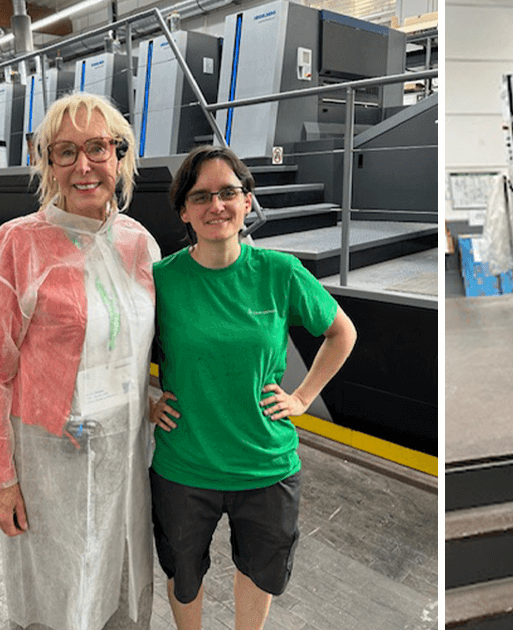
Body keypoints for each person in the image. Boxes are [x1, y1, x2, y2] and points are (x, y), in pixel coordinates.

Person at [0, 92, 158, 630]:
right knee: (58, 590)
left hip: (126, 455)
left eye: (97, 147)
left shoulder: (138, 244)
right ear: (48, 164)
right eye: (65, 151)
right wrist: (0, 480)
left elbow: (135, 346)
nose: (84, 165)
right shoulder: (18, 244)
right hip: (51, 461)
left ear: (119, 156)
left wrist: (157, 400)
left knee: (120, 574)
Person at [148, 145, 357, 630]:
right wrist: (144, 401)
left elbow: (341, 332)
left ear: (247, 201)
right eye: (200, 196)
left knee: (261, 570)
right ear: (183, 210)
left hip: (265, 465)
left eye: (228, 192)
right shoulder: (162, 280)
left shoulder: (279, 273)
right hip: (186, 466)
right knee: (183, 571)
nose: (216, 205)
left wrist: (302, 397)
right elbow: (118, 344)